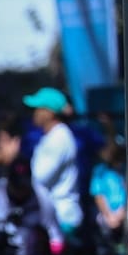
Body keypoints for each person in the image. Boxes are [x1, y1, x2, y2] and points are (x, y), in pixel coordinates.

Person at [22, 87, 82, 238]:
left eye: (38, 108)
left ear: (50, 112)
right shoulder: (52, 136)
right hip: (53, 218)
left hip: (61, 219)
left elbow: (40, 177)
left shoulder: (59, 138)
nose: (34, 113)